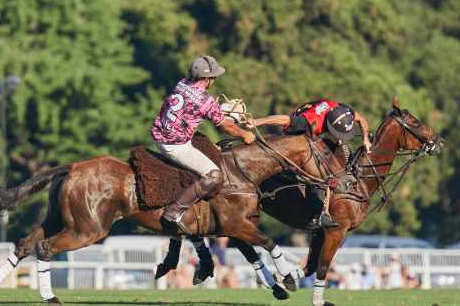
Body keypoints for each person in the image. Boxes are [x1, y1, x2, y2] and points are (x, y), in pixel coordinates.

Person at [151, 55, 255, 233]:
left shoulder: (181, 83)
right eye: (213, 77)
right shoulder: (206, 101)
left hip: (159, 133)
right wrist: (245, 134)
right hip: (175, 145)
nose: (214, 80)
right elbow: (225, 126)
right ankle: (174, 212)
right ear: (206, 79)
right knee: (215, 175)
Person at [247, 99, 372, 229]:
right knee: (318, 171)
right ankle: (317, 215)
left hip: (315, 126)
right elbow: (285, 119)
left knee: (340, 149)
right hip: (295, 134)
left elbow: (361, 120)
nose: (340, 138)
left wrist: (366, 139)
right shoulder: (308, 122)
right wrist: (258, 121)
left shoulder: (344, 110)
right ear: (329, 126)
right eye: (338, 134)